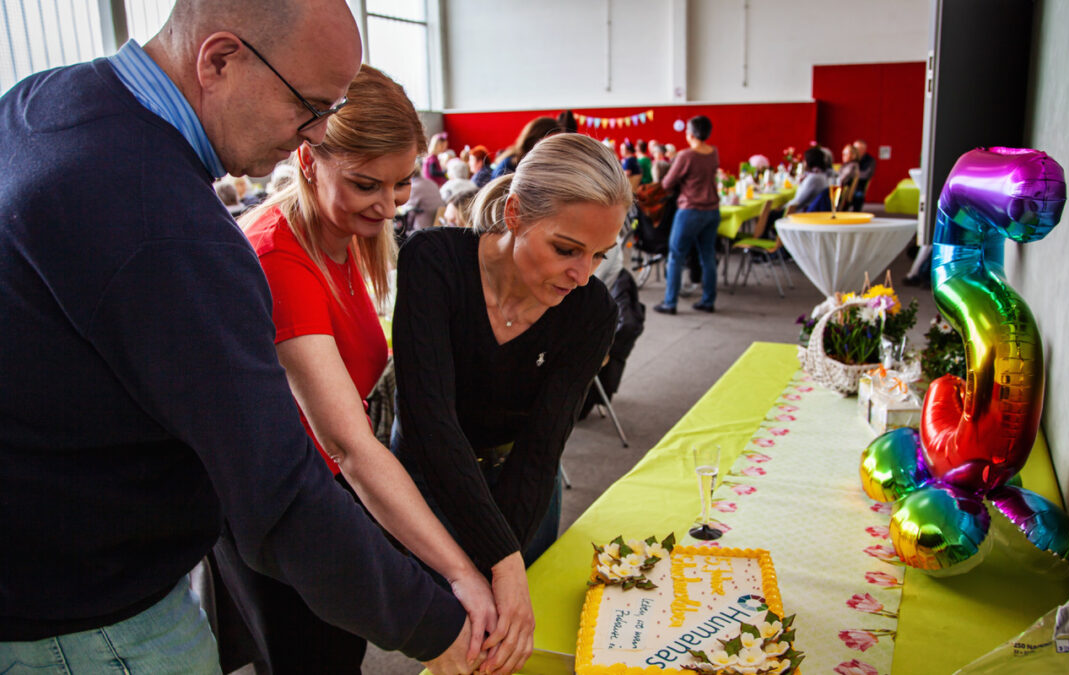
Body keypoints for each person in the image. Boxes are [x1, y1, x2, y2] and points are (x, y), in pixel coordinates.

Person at [0, 1, 477, 673]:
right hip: (88, 609)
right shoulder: (168, 223)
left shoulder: (43, 98)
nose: (313, 132)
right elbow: (279, 491)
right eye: (309, 106)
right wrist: (438, 625)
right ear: (221, 59)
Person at [220, 64, 499, 674]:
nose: (389, 204)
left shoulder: (347, 233)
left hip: (322, 488)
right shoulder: (279, 256)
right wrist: (459, 571)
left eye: (401, 184)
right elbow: (347, 443)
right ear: (308, 156)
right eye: (367, 184)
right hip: (280, 504)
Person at [391, 133, 629, 675]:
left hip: (521, 486)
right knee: (450, 643)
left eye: (599, 255)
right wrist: (498, 561)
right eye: (566, 249)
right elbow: (431, 423)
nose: (582, 274)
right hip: (428, 483)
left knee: (515, 638)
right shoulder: (434, 262)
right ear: (517, 214)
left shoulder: (591, 310)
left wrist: (508, 562)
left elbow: (543, 446)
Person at [654, 115, 720, 314]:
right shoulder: (713, 152)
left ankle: (670, 302)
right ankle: (708, 301)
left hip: (690, 210)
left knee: (676, 256)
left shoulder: (686, 155)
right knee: (707, 256)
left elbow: (667, 183)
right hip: (712, 210)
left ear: (690, 133)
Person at [491, 116, 562, 178]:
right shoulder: (509, 165)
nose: (553, 149)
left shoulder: (548, 165)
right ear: (531, 141)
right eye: (547, 143)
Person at [851, 138, 876, 210]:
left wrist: (852, 175)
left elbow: (866, 175)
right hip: (847, 185)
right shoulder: (852, 159)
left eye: (858, 149)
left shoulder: (870, 160)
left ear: (864, 149)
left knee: (858, 195)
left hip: (859, 186)